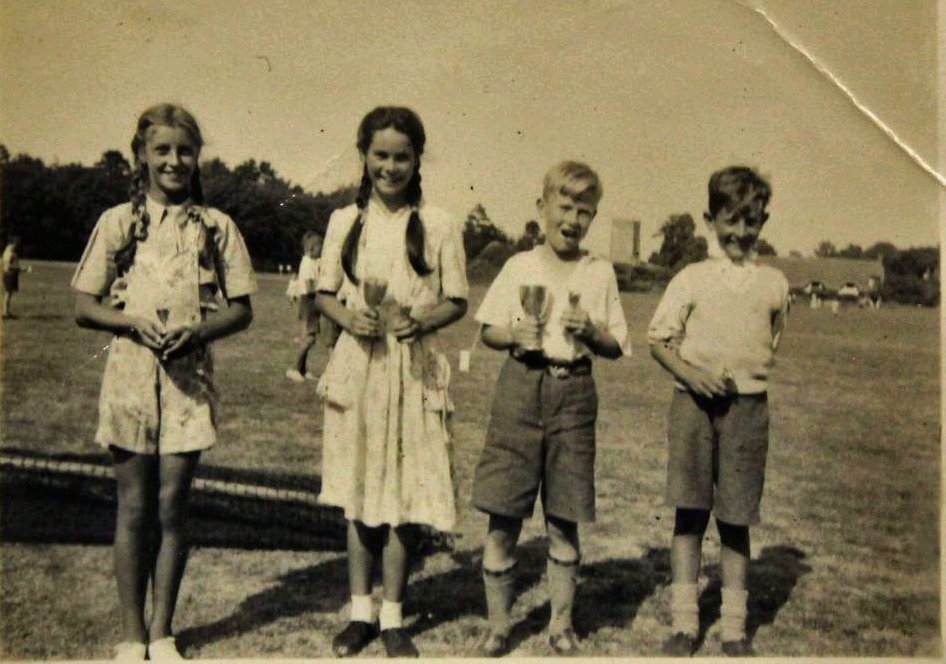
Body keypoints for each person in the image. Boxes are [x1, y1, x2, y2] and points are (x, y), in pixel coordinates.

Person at [72, 104, 256, 661]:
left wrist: (199, 329)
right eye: (162, 150)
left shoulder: (216, 226)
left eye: (184, 150)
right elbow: (84, 304)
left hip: (187, 383)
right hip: (129, 378)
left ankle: (162, 632)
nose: (174, 161)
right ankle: (132, 635)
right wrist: (129, 320)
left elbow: (243, 309)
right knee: (133, 508)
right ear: (142, 157)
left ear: (197, 156)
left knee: (173, 508)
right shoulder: (119, 221)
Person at [314, 106, 468, 658]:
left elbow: (456, 299)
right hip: (359, 368)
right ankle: (360, 612)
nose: (391, 166)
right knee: (358, 492)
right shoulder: (342, 222)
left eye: (402, 156)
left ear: (417, 158)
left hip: (413, 370)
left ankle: (395, 616)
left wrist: (420, 319)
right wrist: (345, 317)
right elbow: (324, 293)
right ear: (364, 157)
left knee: (404, 494)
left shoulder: (441, 223)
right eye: (381, 155)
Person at [470, 161, 628, 656]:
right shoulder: (520, 266)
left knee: (565, 518)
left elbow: (617, 344)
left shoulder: (599, 271)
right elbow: (488, 330)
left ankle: (561, 625)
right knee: (503, 515)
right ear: (542, 208)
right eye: (565, 206)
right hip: (520, 387)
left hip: (573, 392)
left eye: (585, 211)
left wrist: (592, 333)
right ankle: (499, 626)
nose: (573, 219)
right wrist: (512, 334)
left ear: (593, 217)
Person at [647, 166, 789, 657]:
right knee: (689, 516)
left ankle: (733, 629)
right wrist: (692, 374)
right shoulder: (691, 278)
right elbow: (658, 340)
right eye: (730, 221)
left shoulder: (774, 284)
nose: (740, 233)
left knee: (735, 520)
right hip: (692, 407)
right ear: (710, 219)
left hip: (747, 413)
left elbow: (769, 342)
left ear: (763, 223)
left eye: (751, 222)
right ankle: (685, 624)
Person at [286, 231, 323, 382]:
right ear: (311, 248)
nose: (323, 250)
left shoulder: (313, 261)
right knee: (309, 338)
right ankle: (294, 368)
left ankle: (302, 369)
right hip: (309, 302)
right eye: (321, 246)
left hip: (311, 302)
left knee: (308, 337)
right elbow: (309, 285)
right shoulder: (307, 263)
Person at [2, 235, 22, 318]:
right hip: (9, 275)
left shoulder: (11, 251)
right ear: (13, 243)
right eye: (16, 243)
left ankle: (7, 312)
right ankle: (5, 312)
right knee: (8, 294)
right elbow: (8, 266)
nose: (17, 245)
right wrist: (20, 269)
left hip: (11, 274)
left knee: (9, 294)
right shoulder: (9, 252)